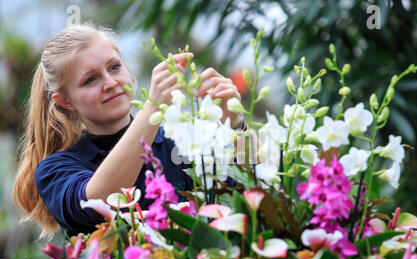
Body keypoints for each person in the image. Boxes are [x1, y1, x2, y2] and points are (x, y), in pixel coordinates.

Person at [13, 23, 246, 238]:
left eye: (114, 67)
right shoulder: (55, 169)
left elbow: (257, 187)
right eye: (90, 80)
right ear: (65, 101)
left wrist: (236, 126)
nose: (111, 82)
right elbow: (99, 202)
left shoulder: (178, 139)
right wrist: (153, 107)